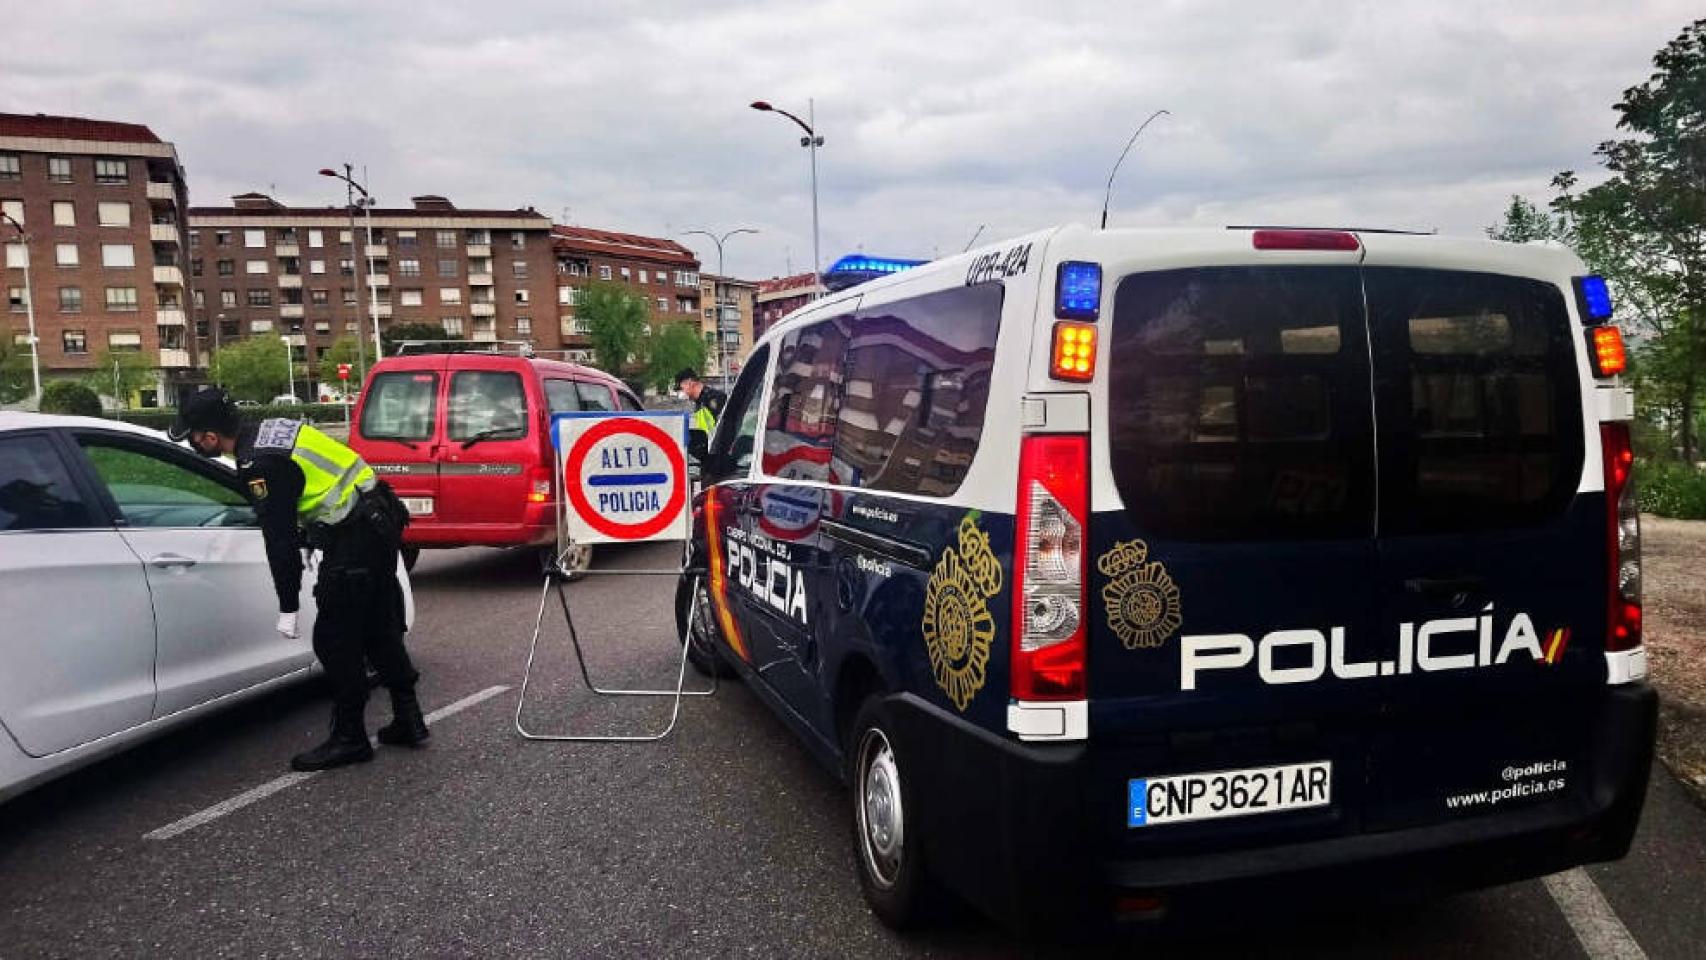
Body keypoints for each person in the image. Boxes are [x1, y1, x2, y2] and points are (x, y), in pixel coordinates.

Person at [170, 388, 428, 771]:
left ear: (209, 436)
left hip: (356, 538)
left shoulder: (258, 463)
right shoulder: (272, 430)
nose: (193, 443)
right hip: (378, 521)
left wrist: (288, 604)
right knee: (378, 627)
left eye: (192, 435)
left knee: (335, 640)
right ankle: (409, 719)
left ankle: (350, 738)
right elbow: (312, 488)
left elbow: (280, 541)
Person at [674, 368, 726, 458]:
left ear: (690, 382)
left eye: (681, 388)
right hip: (710, 451)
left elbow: (724, 427)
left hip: (720, 451)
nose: (681, 393)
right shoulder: (699, 403)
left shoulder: (714, 398)